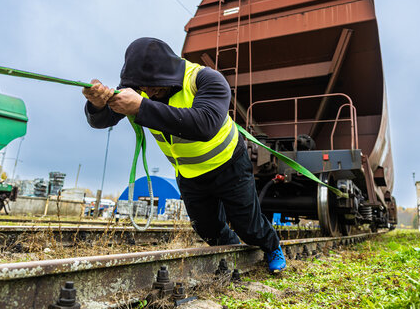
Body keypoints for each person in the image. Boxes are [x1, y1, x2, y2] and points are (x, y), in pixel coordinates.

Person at [83, 37, 286, 272]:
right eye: (142, 87)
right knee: (207, 228)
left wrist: (141, 107)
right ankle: (232, 256)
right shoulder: (139, 90)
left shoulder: (206, 79)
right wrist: (96, 105)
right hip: (190, 174)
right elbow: (102, 120)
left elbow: (204, 124)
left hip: (229, 164)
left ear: (167, 71)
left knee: (248, 225)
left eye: (152, 85)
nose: (148, 91)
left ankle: (272, 246)